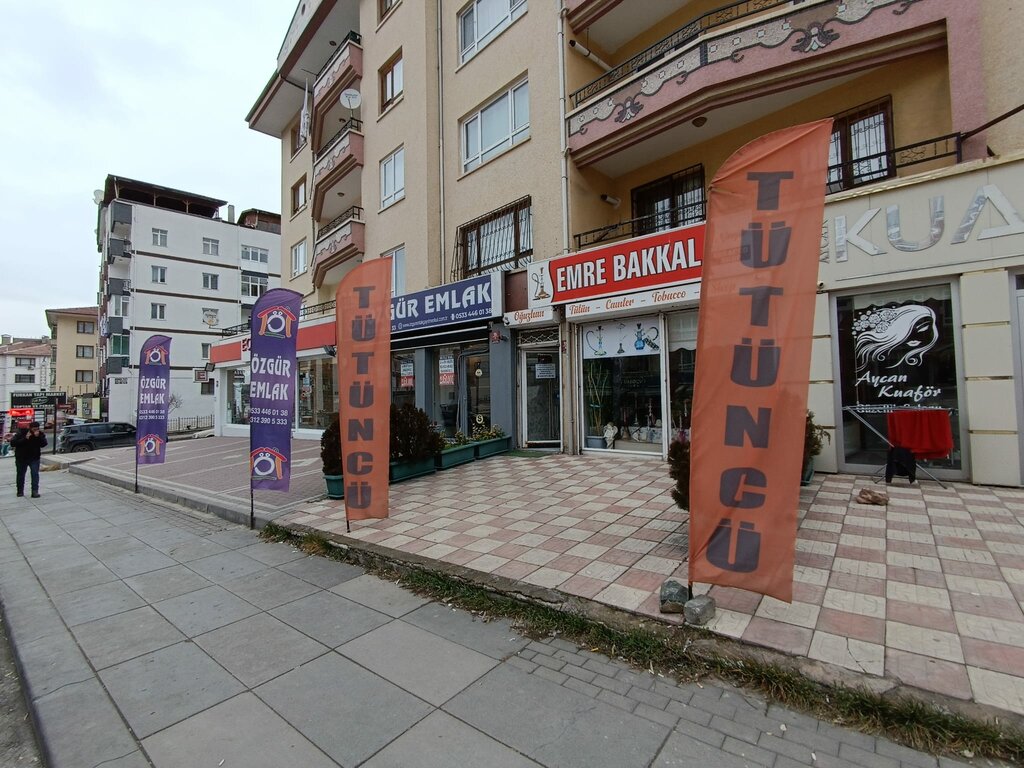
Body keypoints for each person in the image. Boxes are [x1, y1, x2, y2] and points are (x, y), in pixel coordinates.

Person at [11, 421, 47, 498]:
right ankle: (20, 491)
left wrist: (38, 437)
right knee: (21, 475)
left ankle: (34, 491)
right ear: (30, 428)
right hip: (21, 458)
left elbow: (44, 444)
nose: (35, 431)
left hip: (34, 458)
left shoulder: (39, 434)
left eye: (37, 429)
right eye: (34, 429)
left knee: (35, 474)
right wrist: (25, 438)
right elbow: (13, 443)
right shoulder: (22, 433)